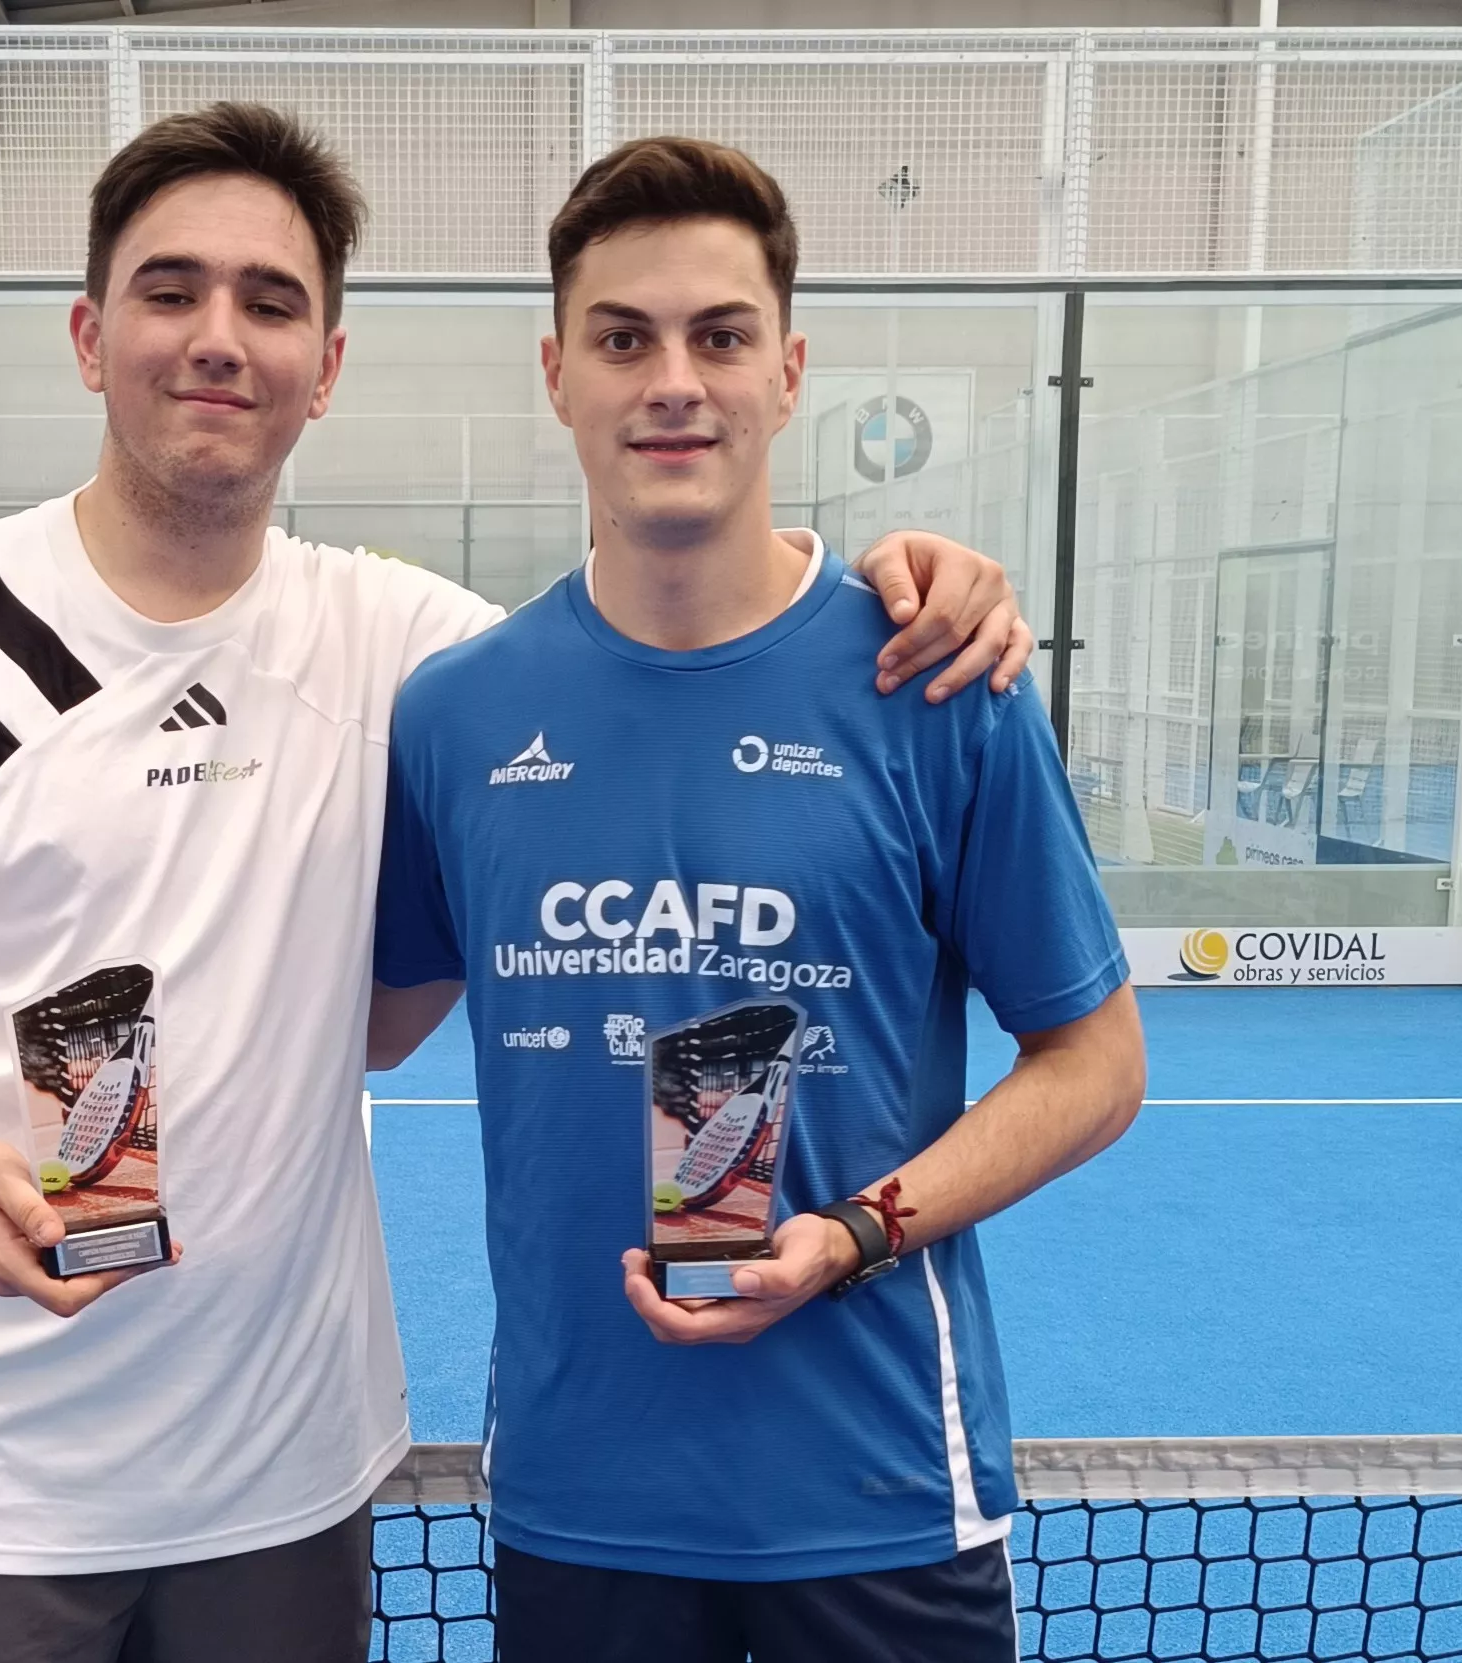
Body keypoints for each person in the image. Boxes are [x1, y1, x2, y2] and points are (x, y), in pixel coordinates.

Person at [0, 104, 1035, 1663]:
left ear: (329, 363)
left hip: (283, 1494)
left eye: (271, 302)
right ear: (92, 336)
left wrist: (897, 577)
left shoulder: (408, 653)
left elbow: (659, 652)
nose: (218, 340)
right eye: (170, 294)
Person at [367, 136, 1148, 1663]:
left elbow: (1098, 1062)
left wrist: (854, 1231)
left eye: (720, 336)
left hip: (875, 1492)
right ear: (557, 373)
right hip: (579, 1498)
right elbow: (365, 1024)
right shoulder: (453, 715)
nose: (675, 381)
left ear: (788, 372)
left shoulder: (936, 680)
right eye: (623, 338)